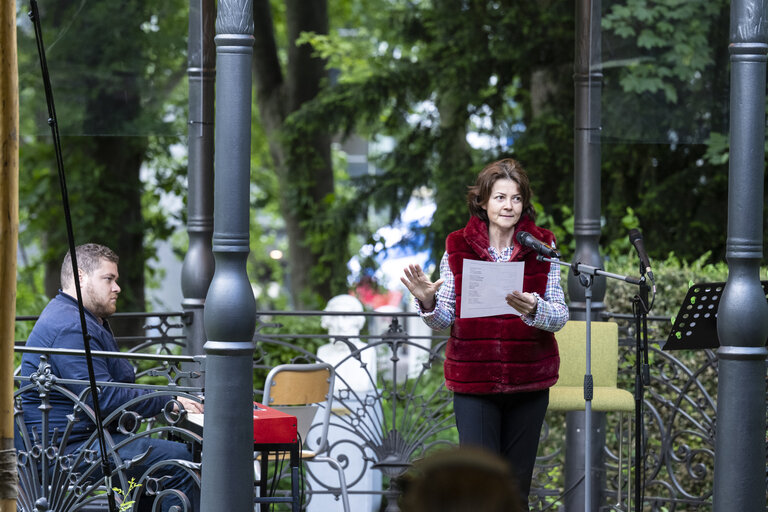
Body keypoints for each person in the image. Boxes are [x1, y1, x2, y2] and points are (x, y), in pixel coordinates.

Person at [401, 158, 568, 510]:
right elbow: (444, 319)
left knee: (517, 488)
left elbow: (560, 316)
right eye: (500, 197)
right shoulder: (457, 246)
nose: (509, 206)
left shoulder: (543, 245)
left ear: (524, 203)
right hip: (473, 383)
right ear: (483, 201)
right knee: (478, 490)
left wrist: (535, 310)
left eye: (516, 198)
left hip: (529, 381)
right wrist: (428, 302)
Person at [20, 243, 202, 512]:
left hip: (83, 442)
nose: (117, 287)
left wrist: (169, 399)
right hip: (68, 455)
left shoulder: (82, 318)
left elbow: (109, 389)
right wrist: (168, 399)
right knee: (180, 462)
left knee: (171, 457)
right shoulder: (71, 327)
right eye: (109, 279)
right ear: (80, 277)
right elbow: (101, 398)